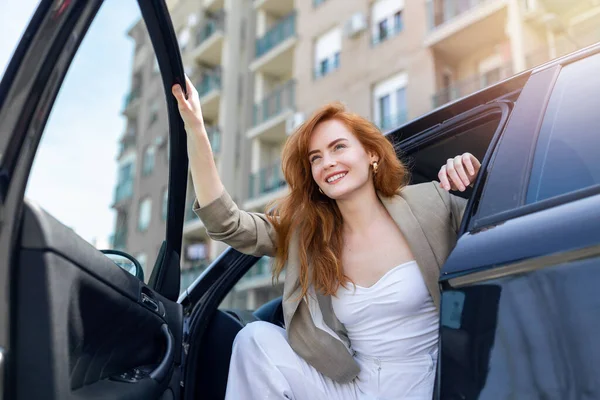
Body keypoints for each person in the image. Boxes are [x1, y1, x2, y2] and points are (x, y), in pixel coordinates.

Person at [172, 76, 481, 400]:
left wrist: (474, 176)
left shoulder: (431, 202)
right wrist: (196, 128)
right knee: (254, 339)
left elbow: (502, 224)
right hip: (353, 385)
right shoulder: (310, 236)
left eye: (338, 147)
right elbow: (227, 223)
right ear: (315, 178)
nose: (327, 162)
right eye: (316, 157)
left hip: (422, 382)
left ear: (372, 154)